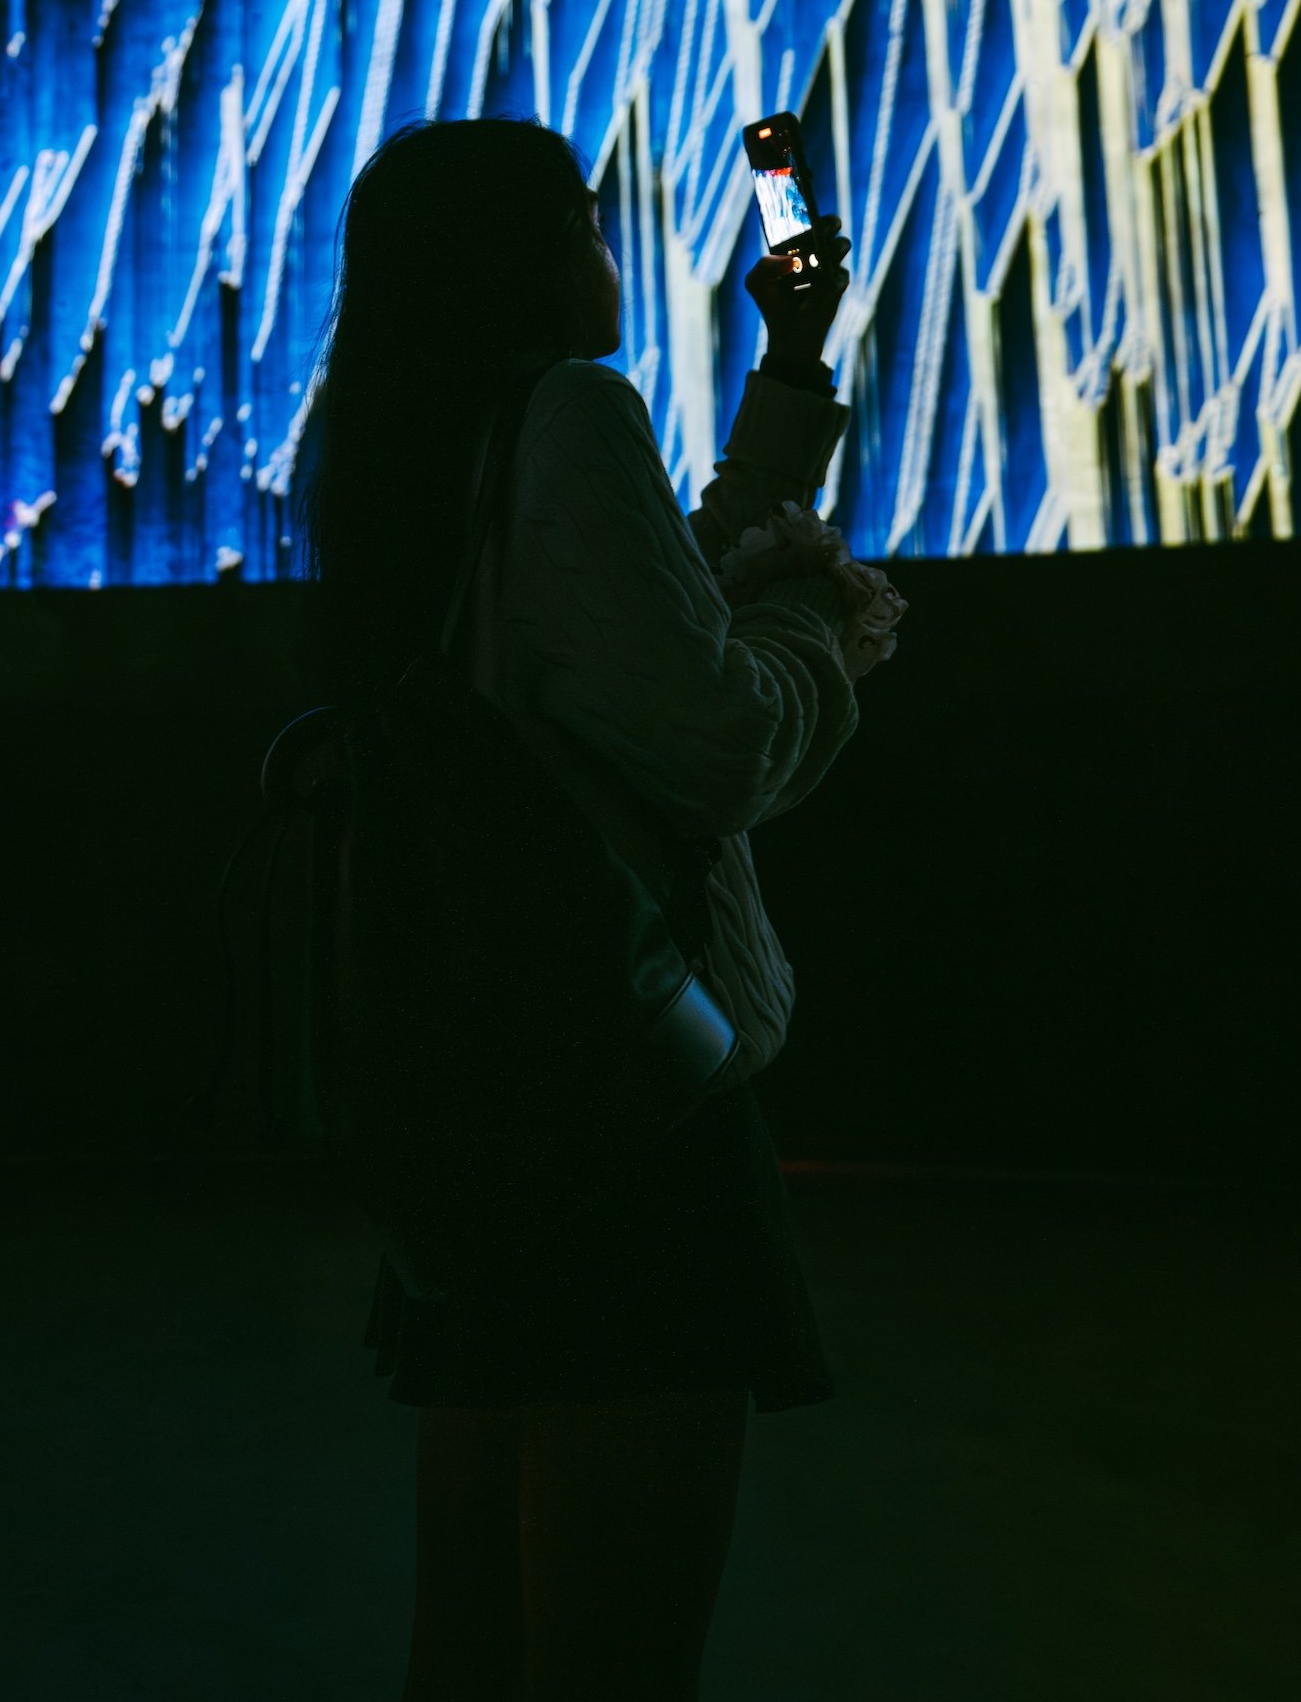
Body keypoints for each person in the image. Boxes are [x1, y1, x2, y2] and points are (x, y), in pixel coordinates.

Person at [302, 115, 900, 1702]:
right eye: (581, 219)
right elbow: (712, 740)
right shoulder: (573, 411)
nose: (606, 249)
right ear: (524, 260)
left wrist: (790, 376)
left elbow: (606, 629)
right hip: (625, 1114)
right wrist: (815, 627)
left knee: (478, 1649)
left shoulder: (387, 439)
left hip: (483, 1102)